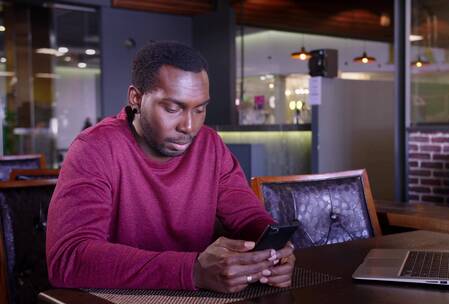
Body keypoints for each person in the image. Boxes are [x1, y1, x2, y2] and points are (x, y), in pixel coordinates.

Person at [46, 41, 295, 293]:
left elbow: (248, 217)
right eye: (173, 108)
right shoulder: (95, 148)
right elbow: (69, 258)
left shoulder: (209, 145)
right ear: (136, 98)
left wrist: (273, 252)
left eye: (200, 109)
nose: (189, 126)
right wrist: (192, 271)